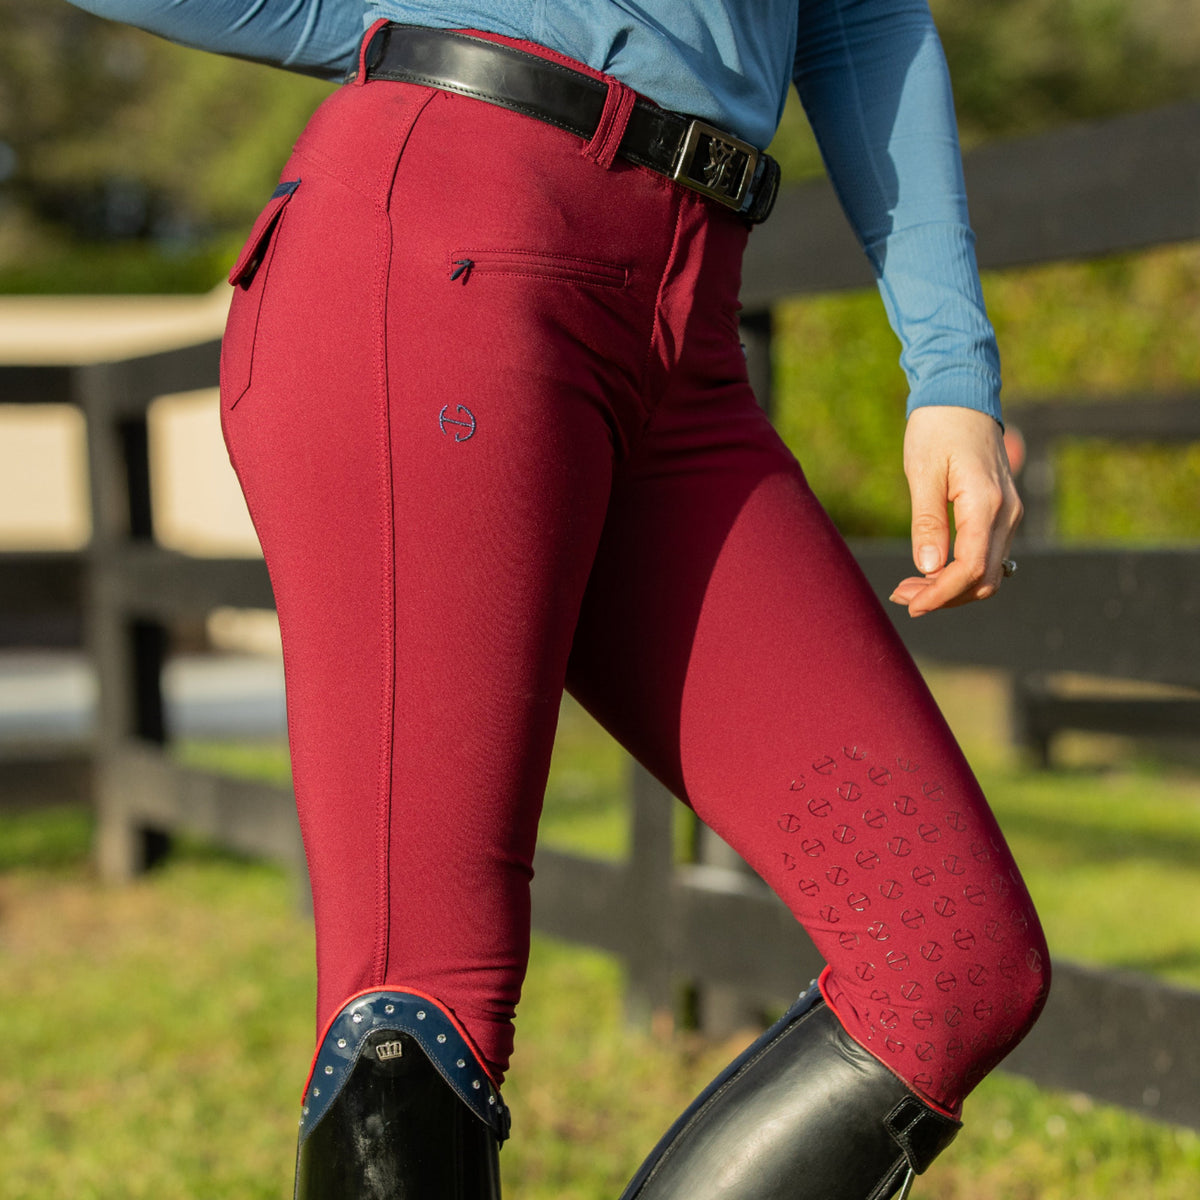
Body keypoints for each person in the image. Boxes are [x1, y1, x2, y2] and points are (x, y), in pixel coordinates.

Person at [65, 3, 1050, 1197]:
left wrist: (950, 369)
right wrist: (384, 26)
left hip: (685, 321)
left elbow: (862, 18)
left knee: (951, 963)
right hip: (443, 248)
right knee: (417, 1007)